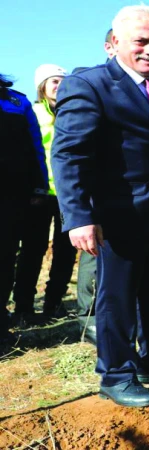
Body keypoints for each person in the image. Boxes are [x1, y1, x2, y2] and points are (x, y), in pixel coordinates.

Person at [51, 5, 149, 407]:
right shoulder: (89, 85)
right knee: (117, 299)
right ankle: (116, 373)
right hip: (118, 217)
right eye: (142, 41)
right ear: (116, 41)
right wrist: (79, 216)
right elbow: (69, 156)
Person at [75, 28, 118, 345]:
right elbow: (73, 150)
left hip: (133, 199)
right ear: (110, 45)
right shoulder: (87, 82)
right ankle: (89, 320)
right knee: (93, 260)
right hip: (97, 194)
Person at [26, 64, 78, 318]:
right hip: (39, 194)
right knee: (33, 249)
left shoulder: (76, 112)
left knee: (66, 251)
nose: (58, 85)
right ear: (42, 86)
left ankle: (54, 303)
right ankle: (24, 307)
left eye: (62, 80)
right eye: (53, 81)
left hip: (69, 195)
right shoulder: (33, 112)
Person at [0, 73, 49, 343]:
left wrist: (39, 185)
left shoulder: (17, 103)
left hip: (13, 195)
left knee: (6, 258)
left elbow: (35, 148)